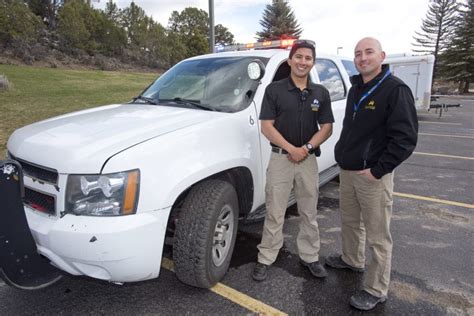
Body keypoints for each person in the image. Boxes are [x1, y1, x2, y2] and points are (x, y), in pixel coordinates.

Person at [327, 37, 418, 310]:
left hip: (372, 176)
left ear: (382, 56)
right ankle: (352, 260)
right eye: (358, 54)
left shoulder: (395, 90)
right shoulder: (356, 88)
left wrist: (378, 170)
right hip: (348, 170)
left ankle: (376, 288)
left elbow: (405, 139)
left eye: (369, 52)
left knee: (378, 236)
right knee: (350, 222)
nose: (362, 58)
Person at [252, 40, 334, 281]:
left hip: (307, 160)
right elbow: (266, 126)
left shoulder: (320, 93)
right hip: (280, 159)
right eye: (299, 57)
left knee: (309, 211)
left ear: (312, 62)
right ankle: (266, 257)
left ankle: (310, 257)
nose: (303, 62)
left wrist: (306, 148)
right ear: (290, 60)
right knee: (275, 211)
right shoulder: (274, 90)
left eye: (308, 58)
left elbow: (327, 127)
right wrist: (291, 149)